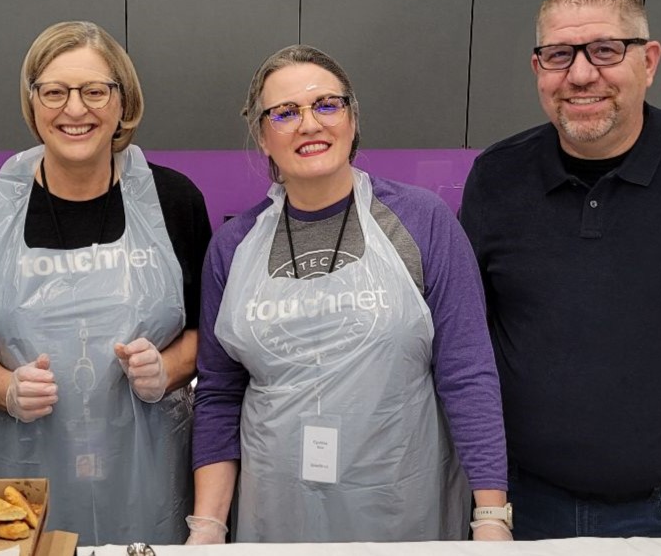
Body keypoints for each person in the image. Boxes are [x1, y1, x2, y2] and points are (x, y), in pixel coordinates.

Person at [460, 0, 661, 539]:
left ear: (648, 62)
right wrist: (489, 507)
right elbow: (466, 353)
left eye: (605, 50)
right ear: (538, 69)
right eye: (559, 54)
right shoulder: (496, 177)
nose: (581, 74)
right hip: (524, 506)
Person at [189, 44, 510, 544]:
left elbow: (467, 373)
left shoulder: (422, 221)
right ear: (263, 136)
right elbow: (219, 393)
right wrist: (208, 526)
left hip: (401, 508)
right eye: (285, 112)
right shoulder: (233, 247)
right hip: (275, 512)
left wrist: (491, 517)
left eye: (326, 104)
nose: (309, 124)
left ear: (352, 119)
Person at [0, 21, 211, 546]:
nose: (74, 109)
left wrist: (167, 370)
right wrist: (7, 389)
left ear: (122, 101)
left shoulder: (174, 201)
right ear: (33, 101)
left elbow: (209, 333)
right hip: (20, 481)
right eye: (55, 92)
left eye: (94, 91)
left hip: (147, 477)